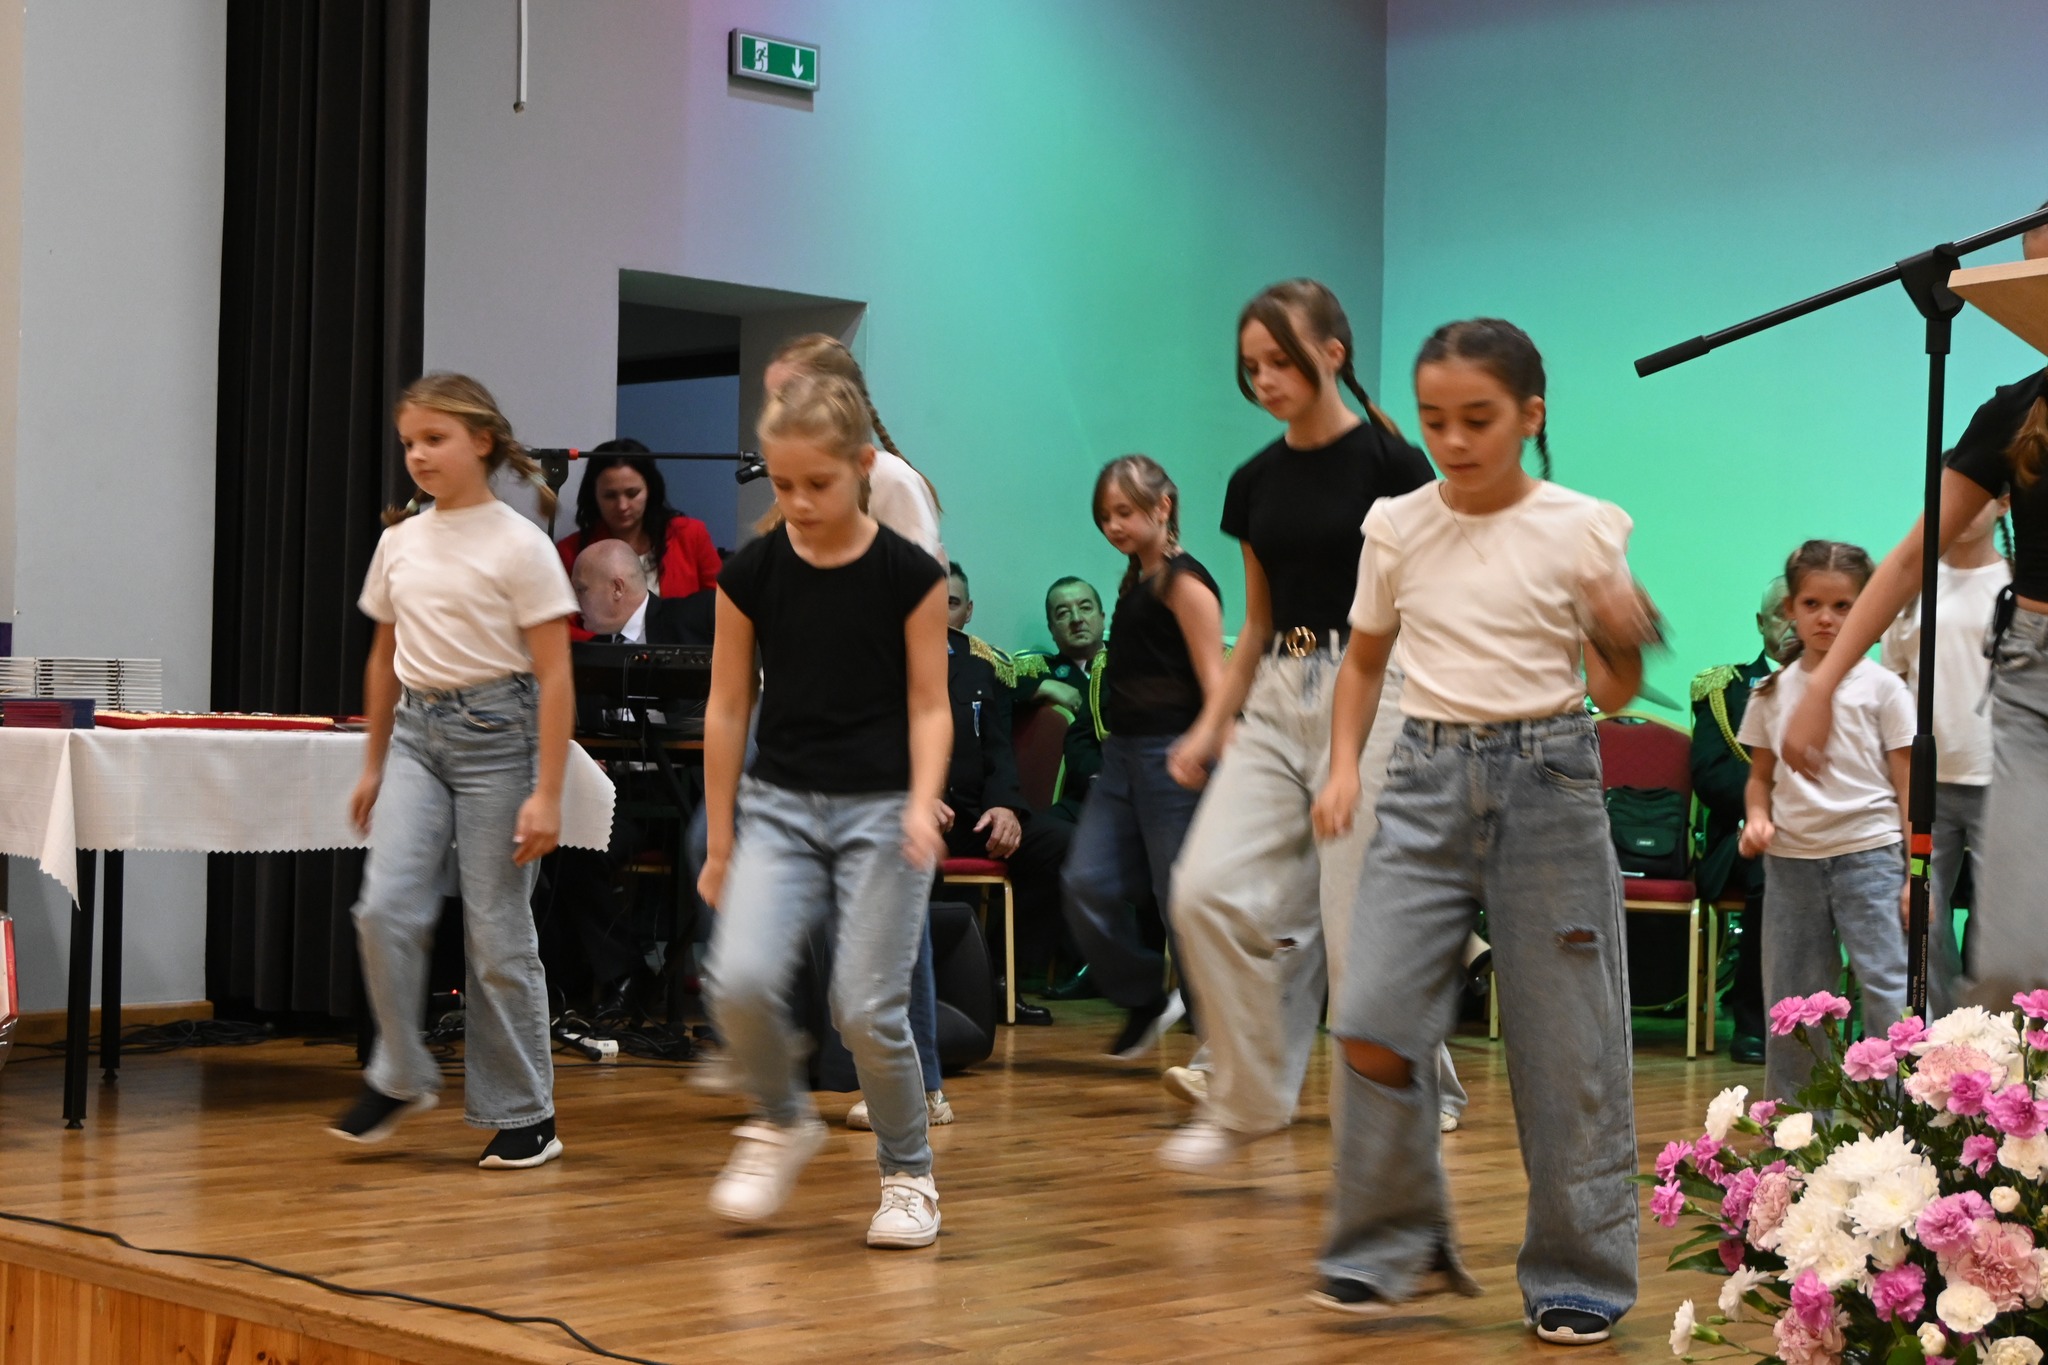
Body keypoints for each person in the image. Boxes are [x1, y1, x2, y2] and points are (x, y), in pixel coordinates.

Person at [1308, 318, 1651, 1344]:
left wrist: (1620, 628)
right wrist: (1340, 765)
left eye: (1477, 419)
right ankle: (1388, 1243)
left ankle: (1579, 1271)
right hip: (1422, 777)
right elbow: (1364, 659)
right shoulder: (1395, 525)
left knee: (1568, 1041)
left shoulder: (1583, 527)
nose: (1452, 440)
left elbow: (1613, 688)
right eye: (1434, 420)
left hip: (1549, 776)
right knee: (1371, 1019)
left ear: (1528, 416)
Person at [1158, 279, 1464, 1169]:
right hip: (1277, 691)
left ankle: (1406, 1109)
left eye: (1280, 362)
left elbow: (1428, 601)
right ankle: (1248, 1098)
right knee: (1202, 891)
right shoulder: (1252, 480)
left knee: (1355, 918)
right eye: (1251, 367)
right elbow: (1256, 620)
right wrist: (1211, 724)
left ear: (1332, 354)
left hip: (1375, 684)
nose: (1264, 380)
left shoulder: (1393, 464)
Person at [698, 370, 950, 1249]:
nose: (799, 503)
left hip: (883, 809)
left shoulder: (909, 574)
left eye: (819, 483)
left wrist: (923, 800)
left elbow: (930, 704)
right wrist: (721, 838)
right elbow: (729, 706)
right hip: (780, 808)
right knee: (737, 982)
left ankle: (909, 1174)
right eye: (783, 484)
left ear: (863, 466)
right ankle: (780, 1119)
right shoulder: (753, 572)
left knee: (866, 1008)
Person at [1782, 217, 2048, 1014]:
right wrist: (1823, 684)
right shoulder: (2015, 411)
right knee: (2014, 965)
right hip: (2033, 680)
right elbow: (1907, 559)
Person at [329, 373, 577, 1171]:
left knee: (496, 933)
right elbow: (383, 657)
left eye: (434, 438)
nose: (418, 454)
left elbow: (556, 675)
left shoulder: (520, 544)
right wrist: (373, 764)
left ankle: (526, 1114)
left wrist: (547, 792)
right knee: (382, 909)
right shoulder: (400, 540)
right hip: (416, 738)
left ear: (482, 441)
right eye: (409, 441)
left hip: (500, 739)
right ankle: (400, 1072)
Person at [1061, 456, 1224, 1060]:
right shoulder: (1136, 580)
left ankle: (1220, 1045)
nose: (1113, 526)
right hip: (1122, 757)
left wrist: (1204, 748)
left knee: (1182, 902)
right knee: (1084, 881)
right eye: (1105, 517)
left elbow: (1216, 683)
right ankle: (1143, 995)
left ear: (1163, 506)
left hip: (1173, 754)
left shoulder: (1185, 583)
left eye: (1124, 512)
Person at [1740, 540, 1912, 1103]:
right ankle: (1796, 1125)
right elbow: (1759, 778)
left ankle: (1905, 1117)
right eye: (1812, 603)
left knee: (1887, 987)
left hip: (1870, 854)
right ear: (1789, 608)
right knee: (1793, 999)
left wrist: (1914, 874)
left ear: (1867, 610)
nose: (1826, 618)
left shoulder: (1884, 688)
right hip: (1792, 864)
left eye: (1843, 606)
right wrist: (1757, 818)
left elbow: (1908, 785)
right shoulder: (1769, 692)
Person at [535, 539, 710, 1020]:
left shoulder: (692, 618)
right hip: (618, 796)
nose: (575, 604)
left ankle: (623, 977)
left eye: (581, 589)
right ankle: (609, 976)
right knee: (561, 842)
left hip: (686, 793)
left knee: (575, 844)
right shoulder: (590, 657)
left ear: (616, 587)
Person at [1880, 497, 2010, 1017]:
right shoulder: (1912, 588)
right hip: (1925, 786)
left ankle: (1997, 1035)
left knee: (2002, 923)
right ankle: (1944, 1033)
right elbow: (1892, 683)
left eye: (1980, 497)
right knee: (1922, 917)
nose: (1965, 508)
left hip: (2004, 780)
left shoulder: (2020, 585)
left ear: (2004, 504)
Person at [1690, 578, 1793, 1064]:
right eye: (1781, 613)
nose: (1793, 623)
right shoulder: (1724, 688)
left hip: (1822, 834)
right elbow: (1712, 775)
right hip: (1744, 839)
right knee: (1770, 869)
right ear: (1760, 623)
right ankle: (1756, 1022)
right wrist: (1777, 806)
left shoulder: (1844, 687)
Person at [553, 439, 722, 601]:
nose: (622, 506)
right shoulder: (571, 551)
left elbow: (719, 604)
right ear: (594, 496)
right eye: (610, 496)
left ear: (650, 490)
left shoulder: (690, 534)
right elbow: (566, 619)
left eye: (632, 494)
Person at [1015, 577, 1109, 812]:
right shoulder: (1040, 669)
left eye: (1085, 608)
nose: (1077, 619)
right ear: (1051, 629)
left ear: (1102, 617)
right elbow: (995, 683)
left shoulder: (1133, 663)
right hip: (1077, 799)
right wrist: (1043, 687)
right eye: (1063, 613)